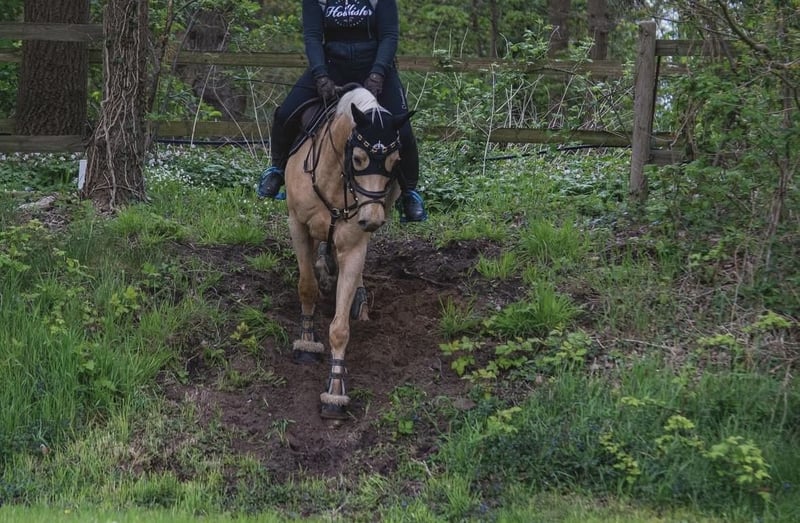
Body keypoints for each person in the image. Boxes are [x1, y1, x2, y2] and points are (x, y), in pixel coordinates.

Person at [257, 0, 427, 222]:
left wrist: (378, 74)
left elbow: (389, 36)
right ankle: (277, 171)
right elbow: (313, 37)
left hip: (375, 66)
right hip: (332, 65)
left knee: (402, 129)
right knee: (285, 114)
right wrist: (320, 75)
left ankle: (409, 194)